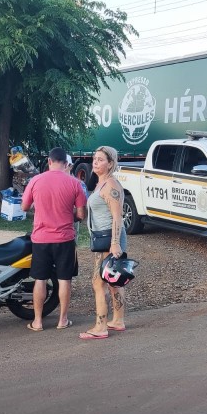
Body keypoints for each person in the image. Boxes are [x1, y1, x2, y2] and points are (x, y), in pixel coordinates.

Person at [21, 147, 87, 331]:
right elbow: (81, 214)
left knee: (40, 279)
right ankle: (62, 320)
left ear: (49, 162)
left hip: (41, 239)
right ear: (66, 164)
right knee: (65, 279)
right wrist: (67, 214)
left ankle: (38, 321)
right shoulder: (75, 184)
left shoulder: (35, 180)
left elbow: (24, 207)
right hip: (65, 239)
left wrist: (42, 209)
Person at [79, 145, 128, 340]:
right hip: (104, 238)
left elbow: (118, 217)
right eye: (95, 159)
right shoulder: (101, 183)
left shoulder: (111, 186)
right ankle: (118, 320)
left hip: (110, 238)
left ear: (110, 164)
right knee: (114, 281)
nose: (95, 162)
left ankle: (100, 326)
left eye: (100, 159)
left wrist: (115, 244)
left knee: (98, 282)